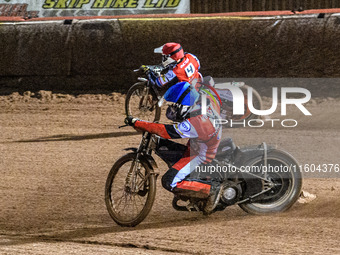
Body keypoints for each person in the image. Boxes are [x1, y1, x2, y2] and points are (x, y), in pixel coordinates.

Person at [124, 81, 222, 213]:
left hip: (199, 155)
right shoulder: (203, 100)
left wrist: (139, 123)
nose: (172, 109)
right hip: (199, 144)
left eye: (175, 106)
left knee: (169, 181)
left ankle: (211, 190)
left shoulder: (198, 122)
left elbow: (167, 131)